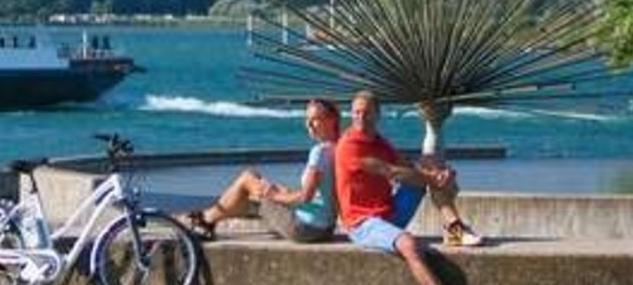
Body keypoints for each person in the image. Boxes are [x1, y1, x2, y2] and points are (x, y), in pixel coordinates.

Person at [335, 91, 484, 285]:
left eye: (366, 112)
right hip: (362, 223)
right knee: (409, 244)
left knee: (429, 165)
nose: (360, 118)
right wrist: (434, 180)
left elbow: (407, 166)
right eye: (356, 113)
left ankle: (454, 230)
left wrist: (439, 174)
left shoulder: (379, 142)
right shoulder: (349, 145)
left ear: (377, 115)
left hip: (388, 213)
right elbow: (390, 171)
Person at [181, 98, 340, 243]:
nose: (309, 124)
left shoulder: (320, 152)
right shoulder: (337, 147)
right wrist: (284, 192)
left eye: (315, 119)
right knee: (252, 189)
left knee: (248, 179)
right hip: (325, 227)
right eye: (307, 119)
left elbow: (305, 197)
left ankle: (206, 220)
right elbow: (320, 194)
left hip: (306, 228)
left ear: (331, 120)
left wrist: (276, 196)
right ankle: (208, 218)